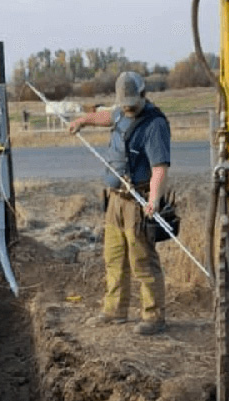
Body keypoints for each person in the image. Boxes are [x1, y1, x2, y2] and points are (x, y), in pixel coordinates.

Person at [69, 71, 171, 335]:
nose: (126, 106)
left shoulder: (154, 125)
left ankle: (154, 316)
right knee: (113, 257)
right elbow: (105, 116)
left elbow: (159, 167)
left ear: (143, 94)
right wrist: (82, 120)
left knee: (142, 260)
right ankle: (115, 311)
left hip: (137, 201)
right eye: (122, 101)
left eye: (130, 102)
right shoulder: (119, 113)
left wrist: (153, 199)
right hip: (114, 199)